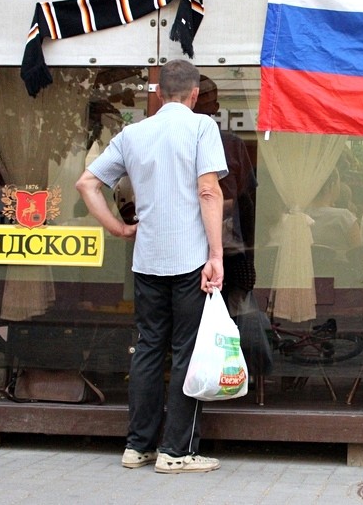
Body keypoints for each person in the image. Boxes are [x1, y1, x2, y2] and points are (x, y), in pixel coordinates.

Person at [75, 59, 228, 474]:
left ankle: (137, 446)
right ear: (195, 94)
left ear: (159, 93)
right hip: (190, 261)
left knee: (147, 349)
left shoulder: (132, 134)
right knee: (186, 353)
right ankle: (175, 452)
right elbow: (208, 191)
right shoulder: (202, 128)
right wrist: (216, 255)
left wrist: (119, 229)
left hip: (148, 261)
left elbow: (87, 184)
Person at [193, 75, 258, 313]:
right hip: (184, 246)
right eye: (199, 95)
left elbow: (246, 201)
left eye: (207, 96)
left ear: (216, 106)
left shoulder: (231, 144)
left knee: (229, 320)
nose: (200, 100)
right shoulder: (169, 140)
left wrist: (248, 252)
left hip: (229, 246)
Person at [306, 168, 361, 253]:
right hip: (340, 266)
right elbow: (359, 255)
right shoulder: (345, 217)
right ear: (331, 186)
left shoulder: (299, 215)